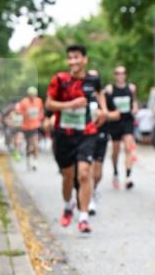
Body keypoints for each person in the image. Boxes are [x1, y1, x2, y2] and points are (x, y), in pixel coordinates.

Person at [45, 46, 108, 234]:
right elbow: (48, 103)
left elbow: (100, 93)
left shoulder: (93, 80)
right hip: (64, 134)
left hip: (87, 132)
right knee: (68, 176)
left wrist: (103, 110)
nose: (73, 62)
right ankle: (68, 204)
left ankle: (83, 217)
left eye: (77, 58)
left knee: (84, 173)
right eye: (70, 58)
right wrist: (70, 104)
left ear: (85, 60)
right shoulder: (60, 80)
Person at [104, 65, 140, 190]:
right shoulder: (110, 89)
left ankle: (128, 176)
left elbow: (134, 101)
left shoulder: (131, 88)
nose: (120, 75)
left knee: (129, 147)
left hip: (127, 120)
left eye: (123, 73)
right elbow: (105, 104)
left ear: (125, 75)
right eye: (118, 73)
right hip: (114, 122)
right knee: (115, 150)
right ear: (115, 75)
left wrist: (135, 107)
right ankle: (115, 172)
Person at [87, 69, 112, 216]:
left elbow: (111, 113)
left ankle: (94, 188)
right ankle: (89, 199)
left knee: (98, 172)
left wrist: (103, 114)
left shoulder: (104, 95)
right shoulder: (83, 93)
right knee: (87, 169)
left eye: (95, 76)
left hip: (102, 134)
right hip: (87, 136)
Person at [16, 86, 45, 171]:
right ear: (28, 95)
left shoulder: (39, 101)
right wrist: (24, 114)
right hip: (25, 126)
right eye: (31, 94)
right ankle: (28, 159)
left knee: (35, 144)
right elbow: (18, 111)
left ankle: (35, 161)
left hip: (35, 126)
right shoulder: (24, 102)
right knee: (28, 146)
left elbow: (41, 111)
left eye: (34, 94)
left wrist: (40, 118)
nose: (32, 96)